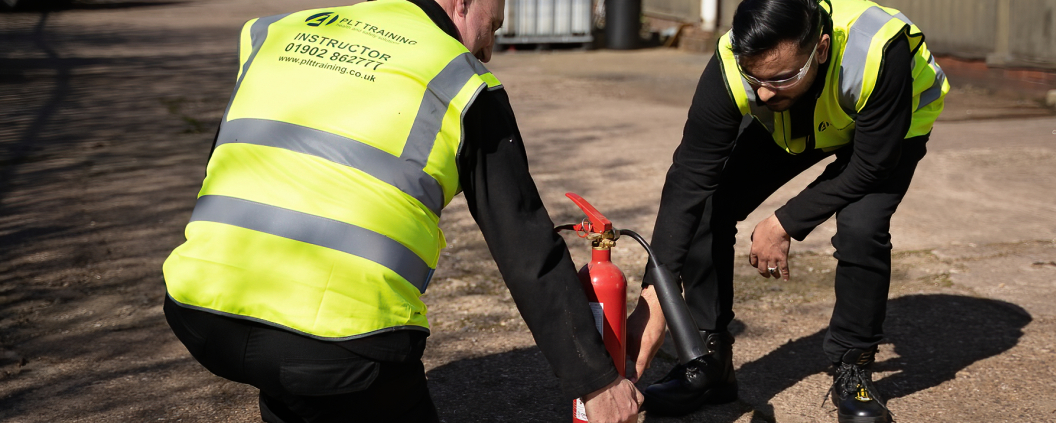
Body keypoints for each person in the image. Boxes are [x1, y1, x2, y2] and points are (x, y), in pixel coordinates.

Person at [160, 0, 650, 421]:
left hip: (200, 313)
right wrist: (598, 381)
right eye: (492, 26)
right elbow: (526, 247)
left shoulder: (278, 33)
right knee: (324, 373)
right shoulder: (461, 80)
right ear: (461, 2)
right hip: (342, 345)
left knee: (298, 381)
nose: (487, 50)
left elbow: (223, 166)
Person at [626, 0, 948, 421]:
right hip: (801, 115)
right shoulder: (733, 58)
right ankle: (710, 362)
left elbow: (871, 165)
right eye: (753, 77)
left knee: (861, 229)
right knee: (709, 204)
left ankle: (853, 368)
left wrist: (785, 222)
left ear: (822, 48)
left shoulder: (878, 50)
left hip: (886, 132)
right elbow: (690, 175)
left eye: (779, 77)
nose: (761, 92)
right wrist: (656, 294)